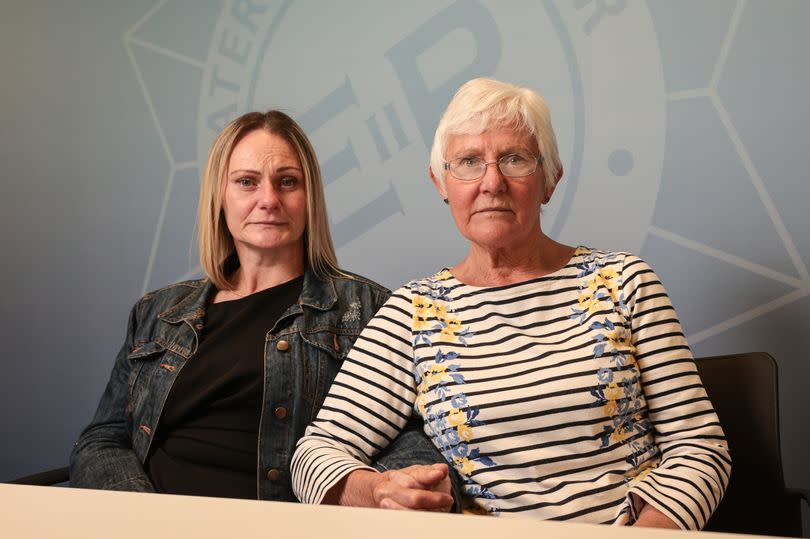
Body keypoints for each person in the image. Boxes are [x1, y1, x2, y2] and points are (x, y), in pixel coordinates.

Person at [291, 79, 731, 528]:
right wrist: (380, 490)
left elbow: (699, 449)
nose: (492, 183)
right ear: (441, 183)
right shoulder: (412, 313)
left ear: (550, 179)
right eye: (468, 162)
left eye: (514, 159)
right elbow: (313, 456)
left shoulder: (624, 283)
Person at [70, 110, 454, 506]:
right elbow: (103, 439)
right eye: (246, 182)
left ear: (310, 198)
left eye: (287, 182)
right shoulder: (157, 312)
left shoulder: (365, 309)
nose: (268, 200)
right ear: (220, 196)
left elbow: (408, 437)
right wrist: (140, 514)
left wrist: (405, 486)